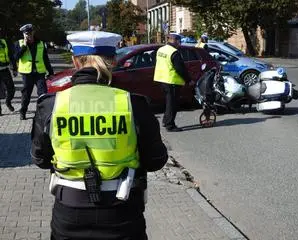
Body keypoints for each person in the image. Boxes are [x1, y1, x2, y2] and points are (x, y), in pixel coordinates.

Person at [31, 31, 168, 240]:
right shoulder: (133, 103)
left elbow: (39, 159)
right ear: (112, 61)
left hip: (69, 212)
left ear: (76, 62)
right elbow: (156, 160)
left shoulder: (51, 104)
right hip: (122, 212)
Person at [153, 34, 193, 132]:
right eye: (179, 41)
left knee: (168, 102)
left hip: (161, 79)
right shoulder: (174, 52)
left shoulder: (161, 50)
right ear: (176, 41)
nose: (179, 44)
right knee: (172, 104)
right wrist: (188, 80)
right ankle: (170, 125)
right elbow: (180, 69)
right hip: (172, 80)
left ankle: (166, 120)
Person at [15, 24, 54, 120]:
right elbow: (16, 57)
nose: (29, 35)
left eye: (30, 33)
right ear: (24, 34)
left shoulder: (40, 43)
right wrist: (24, 47)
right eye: (26, 34)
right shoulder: (19, 43)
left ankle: (44, 112)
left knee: (43, 93)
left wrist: (50, 72)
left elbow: (45, 58)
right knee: (26, 94)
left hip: (39, 73)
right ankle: (23, 111)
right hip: (27, 73)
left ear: (33, 32)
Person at [0, 28, 17, 115]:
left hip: (5, 70)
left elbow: (10, 55)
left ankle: (8, 101)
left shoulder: (3, 42)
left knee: (12, 89)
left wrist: (14, 68)